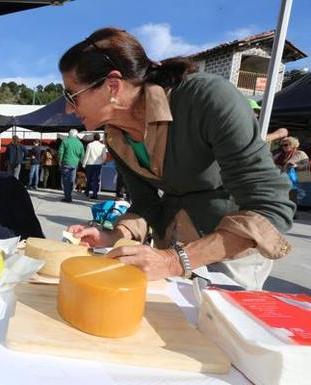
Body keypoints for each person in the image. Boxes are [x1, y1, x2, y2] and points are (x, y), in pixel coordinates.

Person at [62, 28, 294, 290]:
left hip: (229, 255)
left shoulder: (207, 98)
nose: (68, 108)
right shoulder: (115, 135)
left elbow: (270, 206)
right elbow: (145, 204)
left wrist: (174, 261)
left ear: (113, 85)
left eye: (71, 95)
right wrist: (113, 235)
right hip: (166, 254)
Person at [273, 136, 309, 205]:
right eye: (282, 145)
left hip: (298, 180)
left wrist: (295, 165)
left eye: (286, 145)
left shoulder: (300, 154)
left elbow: (305, 165)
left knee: (297, 199)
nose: (283, 147)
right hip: (282, 180)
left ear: (293, 144)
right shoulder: (279, 155)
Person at [58, 129, 85, 202]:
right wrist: (81, 162)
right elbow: (82, 155)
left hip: (66, 163)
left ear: (69, 134)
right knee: (72, 180)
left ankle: (67, 197)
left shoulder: (65, 141)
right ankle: (69, 195)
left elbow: (60, 152)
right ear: (76, 135)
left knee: (66, 181)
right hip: (75, 164)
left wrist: (60, 161)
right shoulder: (80, 143)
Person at [82, 133, 107, 199]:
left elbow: (87, 155)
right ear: (99, 139)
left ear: (93, 138)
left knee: (89, 178)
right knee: (96, 179)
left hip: (90, 164)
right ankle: (95, 194)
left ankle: (86, 192)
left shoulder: (90, 145)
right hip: (98, 164)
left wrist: (84, 163)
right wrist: (104, 162)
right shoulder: (102, 146)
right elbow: (104, 156)